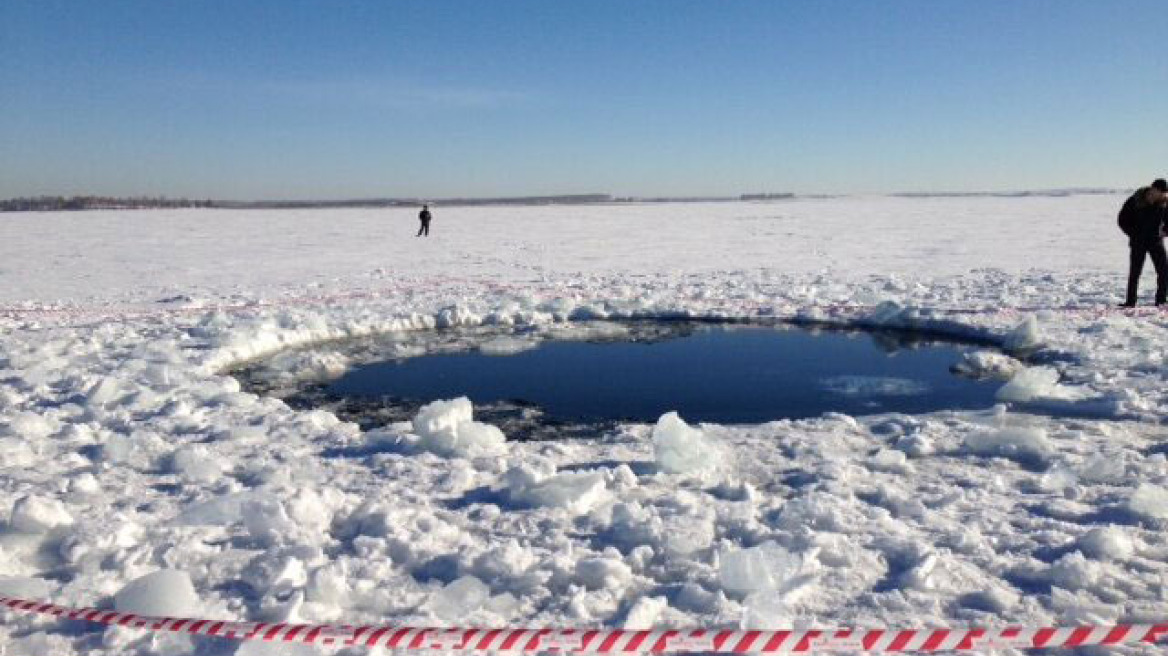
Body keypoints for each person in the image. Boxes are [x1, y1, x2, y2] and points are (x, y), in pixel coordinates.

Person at [1117, 179, 1168, 307]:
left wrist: (1166, 231)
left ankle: (1161, 300)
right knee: (1135, 272)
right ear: (1153, 189)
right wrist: (1133, 233)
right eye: (1161, 192)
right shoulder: (1136, 199)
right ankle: (1130, 302)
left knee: (1164, 271)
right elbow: (1122, 219)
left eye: (1164, 193)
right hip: (1138, 242)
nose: (1163, 195)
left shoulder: (1164, 202)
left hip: (1156, 241)